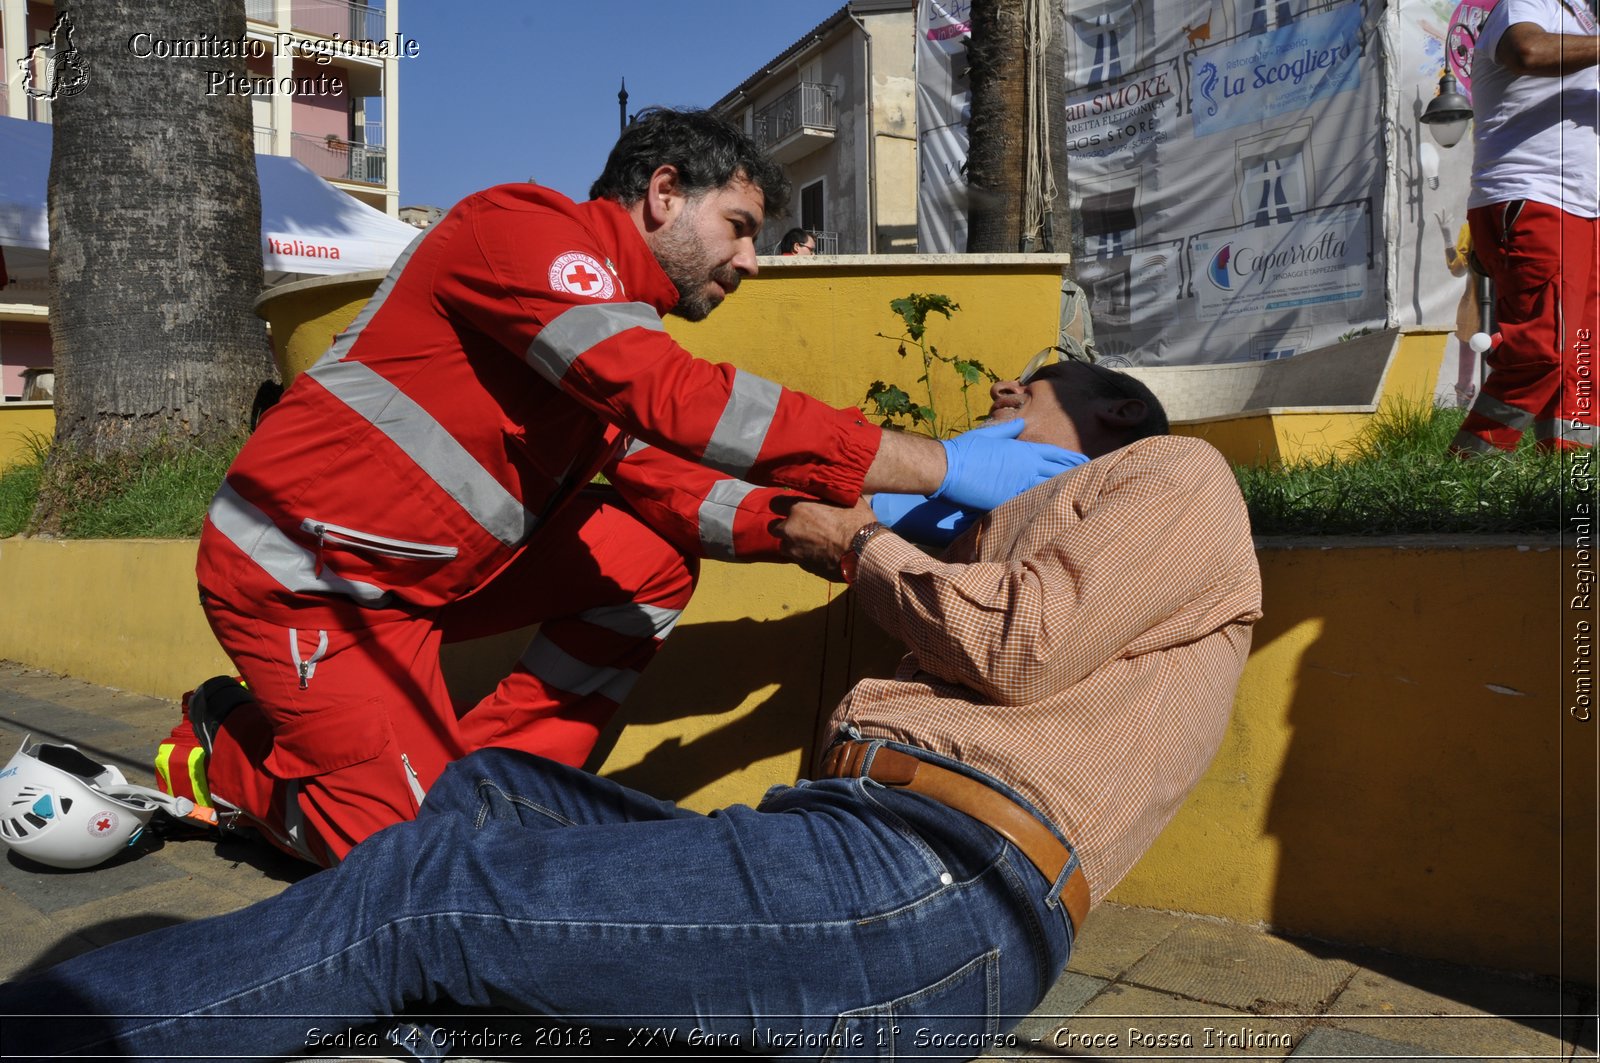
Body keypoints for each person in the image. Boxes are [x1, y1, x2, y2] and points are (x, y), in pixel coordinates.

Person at [0, 361, 1264, 1062]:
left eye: (1013, 403)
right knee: (472, 802)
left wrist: (860, 542)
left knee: (427, 897)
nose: (980, 422)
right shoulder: (998, 539)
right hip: (867, 861)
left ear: (1097, 424)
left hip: (941, 883)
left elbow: (1024, 644)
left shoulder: (1170, 471)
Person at [169, 108, 1085, 866]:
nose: (752, 262)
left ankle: (493, 797)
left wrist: (855, 524)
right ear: (663, 193)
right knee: (416, 877)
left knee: (650, 556)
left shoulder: (599, 334)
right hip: (306, 581)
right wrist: (943, 462)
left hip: (411, 587)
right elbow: (676, 401)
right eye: (738, 227)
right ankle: (230, 750)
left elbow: (672, 487)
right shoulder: (522, 230)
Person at [1449, 0, 1598, 455]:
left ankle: (1569, 479)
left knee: (1583, 359)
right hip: (1533, 197)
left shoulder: (1582, 24)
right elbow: (1526, 50)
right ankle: (1465, 468)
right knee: (1545, 350)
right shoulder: (1530, 3)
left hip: (1582, 207)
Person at [1436, 211, 1485, 407]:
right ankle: (1460, 414)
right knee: (1466, 371)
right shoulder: (1471, 228)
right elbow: (1458, 269)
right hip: (1473, 306)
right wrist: (1448, 240)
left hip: (1504, 304)